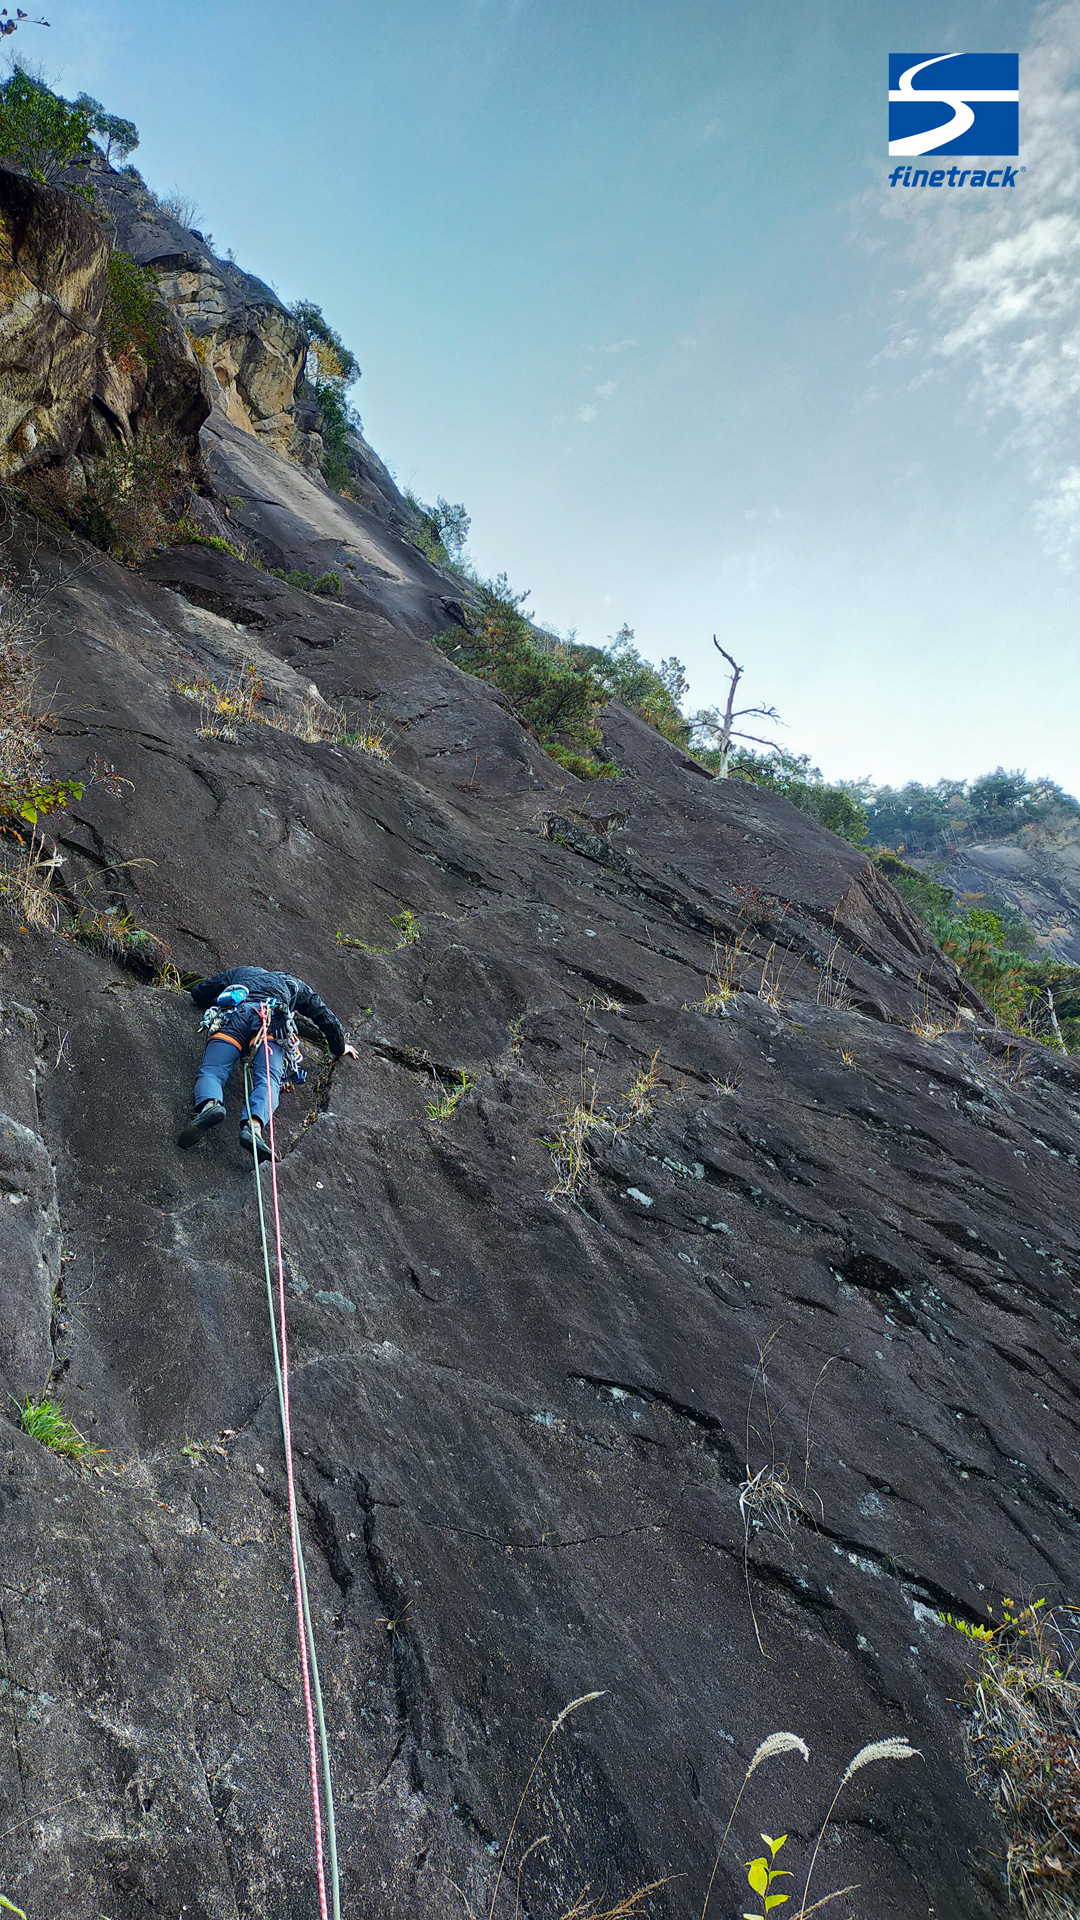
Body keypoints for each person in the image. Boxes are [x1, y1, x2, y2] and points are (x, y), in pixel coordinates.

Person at [178, 965, 358, 1161]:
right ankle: (253, 1128)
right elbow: (324, 1016)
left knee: (213, 1070)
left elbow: (200, 991)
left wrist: (206, 997)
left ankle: (210, 1105)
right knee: (269, 1079)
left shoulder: (241, 972)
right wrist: (340, 1047)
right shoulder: (294, 985)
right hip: (272, 1023)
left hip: (236, 1014)